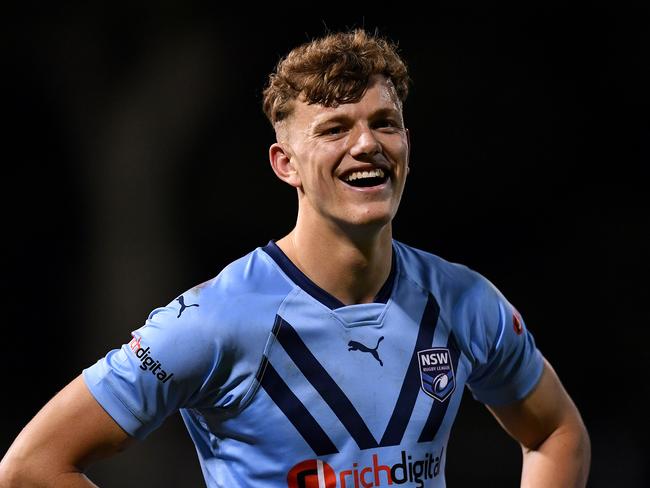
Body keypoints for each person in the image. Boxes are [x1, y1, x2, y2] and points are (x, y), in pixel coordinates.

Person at [0, 29, 590, 487]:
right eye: (335, 129)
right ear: (286, 164)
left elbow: (556, 433)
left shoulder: (464, 301)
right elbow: (32, 465)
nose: (367, 144)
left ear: (406, 144)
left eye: (385, 123)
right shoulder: (216, 319)